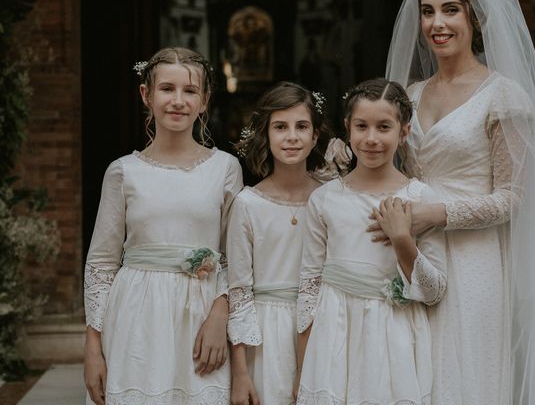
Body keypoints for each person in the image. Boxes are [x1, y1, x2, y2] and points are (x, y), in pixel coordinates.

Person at [383, 0, 535, 405]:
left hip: (475, 261)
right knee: (416, 375)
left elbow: (512, 197)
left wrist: (435, 213)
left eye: (451, 10)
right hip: (416, 253)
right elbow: (398, 172)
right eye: (429, 11)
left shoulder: (504, 97)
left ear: (474, 17)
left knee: (466, 377)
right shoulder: (411, 96)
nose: (438, 23)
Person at [83, 47, 243, 404]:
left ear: (205, 100)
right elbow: (102, 264)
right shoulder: (123, 172)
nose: (178, 101)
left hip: (202, 318)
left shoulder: (225, 169)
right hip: (136, 317)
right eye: (167, 89)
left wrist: (221, 314)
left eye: (190, 91)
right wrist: (93, 346)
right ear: (147, 95)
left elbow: (237, 256)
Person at [295, 79, 447, 404]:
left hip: (396, 337)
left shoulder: (420, 198)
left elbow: (434, 292)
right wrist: (304, 366)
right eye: (362, 126)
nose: (372, 138)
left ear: (404, 132)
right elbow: (309, 286)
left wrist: (402, 238)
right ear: (348, 128)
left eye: (384, 127)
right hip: (335, 336)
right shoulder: (324, 199)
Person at [226, 82, 331, 405]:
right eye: (280, 127)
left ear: (315, 136)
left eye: (302, 127)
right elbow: (239, 292)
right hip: (266, 334)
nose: (291, 137)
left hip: (322, 326)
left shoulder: (331, 197)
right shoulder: (248, 204)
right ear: (266, 134)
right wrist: (241, 372)